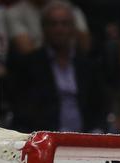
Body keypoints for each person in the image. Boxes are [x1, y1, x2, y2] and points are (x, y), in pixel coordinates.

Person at [6, 1, 105, 133]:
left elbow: (100, 106)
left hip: (85, 138)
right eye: (53, 24)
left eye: (65, 24)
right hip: (43, 138)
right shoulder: (28, 65)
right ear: (43, 28)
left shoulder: (88, 66)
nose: (59, 29)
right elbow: (23, 111)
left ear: (73, 28)